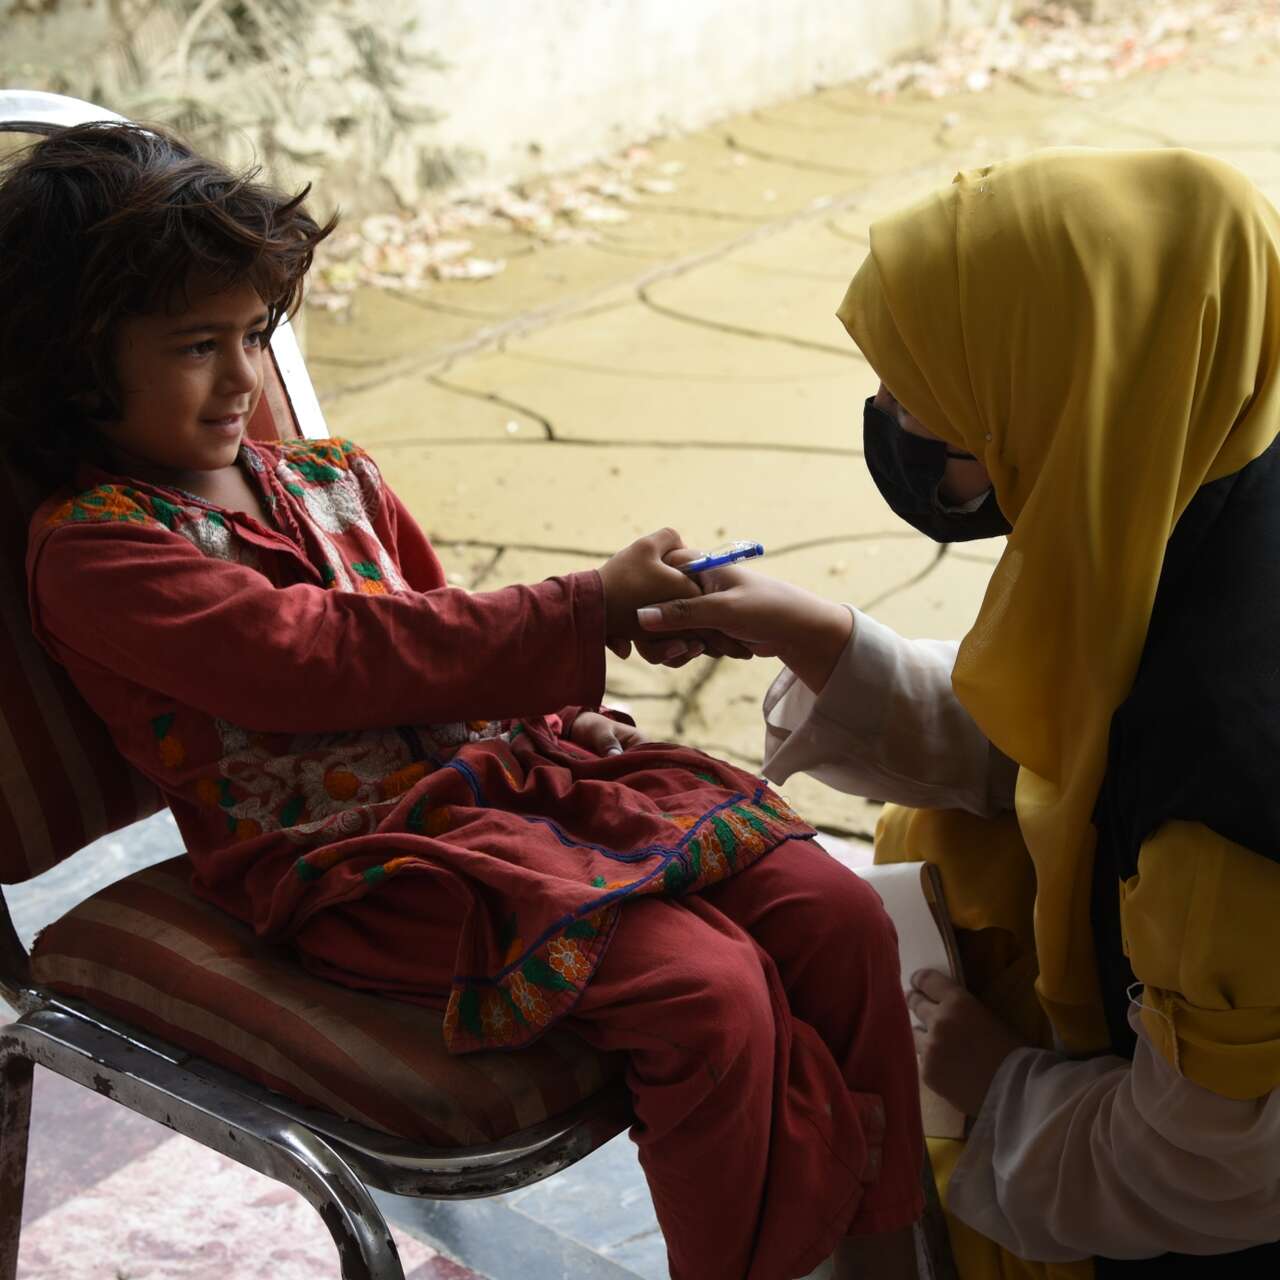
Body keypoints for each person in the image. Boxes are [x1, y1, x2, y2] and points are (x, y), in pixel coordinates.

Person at [2, 121, 924, 1280]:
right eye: (198, 345)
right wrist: (584, 610)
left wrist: (555, 721)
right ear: (78, 361)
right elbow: (318, 658)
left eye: (252, 333)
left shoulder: (333, 478)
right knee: (707, 991)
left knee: (832, 913)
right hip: (354, 861)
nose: (245, 379)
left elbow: (443, 638)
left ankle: (886, 1259)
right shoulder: (95, 554)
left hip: (510, 796)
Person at [638, 146, 1280, 1276]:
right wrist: (825, 639)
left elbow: (1212, 1164)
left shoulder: (1219, 797)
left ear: (1061, 380)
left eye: (923, 381)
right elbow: (1086, 734)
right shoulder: (1208, 467)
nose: (893, 412)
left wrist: (995, 1084)